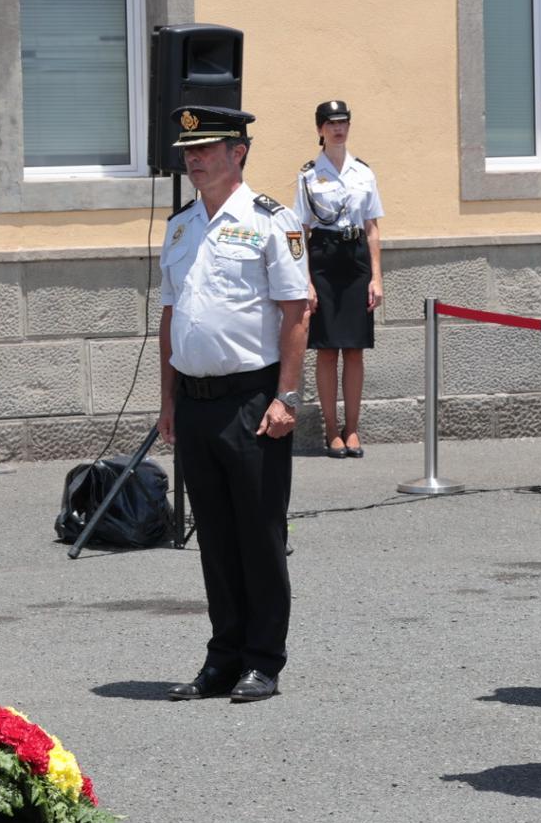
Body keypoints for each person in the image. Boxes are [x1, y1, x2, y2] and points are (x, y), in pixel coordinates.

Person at [157, 105, 310, 702]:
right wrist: (167, 399)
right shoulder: (180, 226)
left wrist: (287, 398)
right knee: (215, 538)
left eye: (207, 149)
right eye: (188, 151)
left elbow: (297, 313)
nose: (194, 159)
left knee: (259, 533)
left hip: (253, 400)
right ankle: (223, 656)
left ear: (237, 152)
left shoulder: (274, 220)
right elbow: (171, 316)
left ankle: (263, 659)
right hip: (195, 402)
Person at [293, 100, 384, 459]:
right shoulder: (307, 175)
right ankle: (331, 429)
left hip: (356, 259)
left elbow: (373, 228)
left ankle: (353, 428)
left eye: (343, 122)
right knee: (328, 350)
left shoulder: (364, 172)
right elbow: (300, 232)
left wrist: (377, 277)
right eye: (331, 123)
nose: (338, 129)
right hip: (324, 260)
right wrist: (306, 281)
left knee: (355, 349)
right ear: (320, 130)